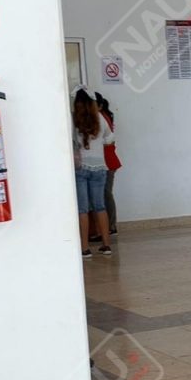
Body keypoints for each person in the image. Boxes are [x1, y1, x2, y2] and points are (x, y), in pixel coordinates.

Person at [71, 86, 112, 258]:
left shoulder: (73, 119)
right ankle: (106, 245)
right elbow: (109, 139)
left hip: (80, 167)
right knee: (100, 206)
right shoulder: (100, 117)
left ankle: (85, 248)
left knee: (82, 209)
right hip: (100, 167)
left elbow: (70, 141)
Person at [89, 93, 121, 242]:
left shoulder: (101, 118)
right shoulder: (102, 117)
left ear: (99, 106)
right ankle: (108, 227)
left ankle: (110, 227)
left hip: (107, 162)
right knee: (105, 194)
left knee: (105, 194)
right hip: (107, 162)